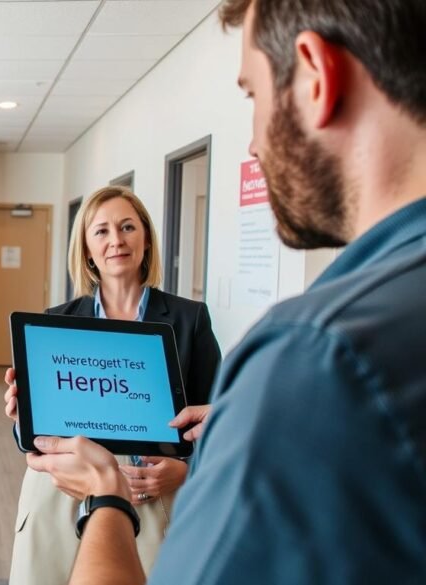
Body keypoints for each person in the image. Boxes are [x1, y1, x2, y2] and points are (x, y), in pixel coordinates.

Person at [27, 0, 426, 583]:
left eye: (252, 96)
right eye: (101, 231)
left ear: (317, 74)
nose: (252, 147)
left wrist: (107, 496)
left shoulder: (313, 356)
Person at [4, 186, 221, 584]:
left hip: (150, 495)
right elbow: (33, 437)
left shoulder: (190, 320)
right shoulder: (56, 321)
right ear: (87, 248)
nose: (116, 240)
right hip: (62, 490)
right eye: (101, 231)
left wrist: (185, 471)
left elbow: (220, 423)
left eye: (127, 227)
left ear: (146, 239)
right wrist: (24, 419)